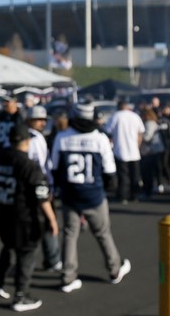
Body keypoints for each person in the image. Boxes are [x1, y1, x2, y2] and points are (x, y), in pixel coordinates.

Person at [50, 103, 131, 293]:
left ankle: (68, 276)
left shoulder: (62, 137)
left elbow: (54, 168)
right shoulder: (99, 139)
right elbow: (110, 171)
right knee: (103, 232)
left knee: (70, 235)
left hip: (70, 194)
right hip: (93, 194)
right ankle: (114, 269)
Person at [0, 124, 59, 312]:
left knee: (9, 244)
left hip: (2, 212)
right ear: (27, 142)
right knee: (26, 252)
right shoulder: (28, 165)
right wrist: (52, 219)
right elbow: (42, 196)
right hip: (23, 216)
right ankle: (21, 295)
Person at [25, 105, 61, 272]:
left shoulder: (34, 136)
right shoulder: (34, 138)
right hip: (40, 185)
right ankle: (52, 259)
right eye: (38, 119)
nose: (42, 122)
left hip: (38, 184)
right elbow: (40, 167)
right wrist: (48, 187)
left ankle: (50, 259)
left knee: (41, 224)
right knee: (46, 223)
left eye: (43, 120)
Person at [102, 99, 143, 204]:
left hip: (120, 150)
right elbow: (140, 133)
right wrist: (138, 146)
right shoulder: (135, 116)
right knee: (135, 175)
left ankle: (123, 196)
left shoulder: (115, 116)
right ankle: (135, 195)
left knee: (123, 176)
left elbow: (108, 131)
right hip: (134, 151)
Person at [139, 106, 166, 199]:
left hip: (151, 151)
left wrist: (139, 135)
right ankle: (154, 186)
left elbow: (147, 137)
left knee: (147, 172)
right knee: (154, 170)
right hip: (155, 150)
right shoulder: (153, 123)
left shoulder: (149, 123)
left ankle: (148, 190)